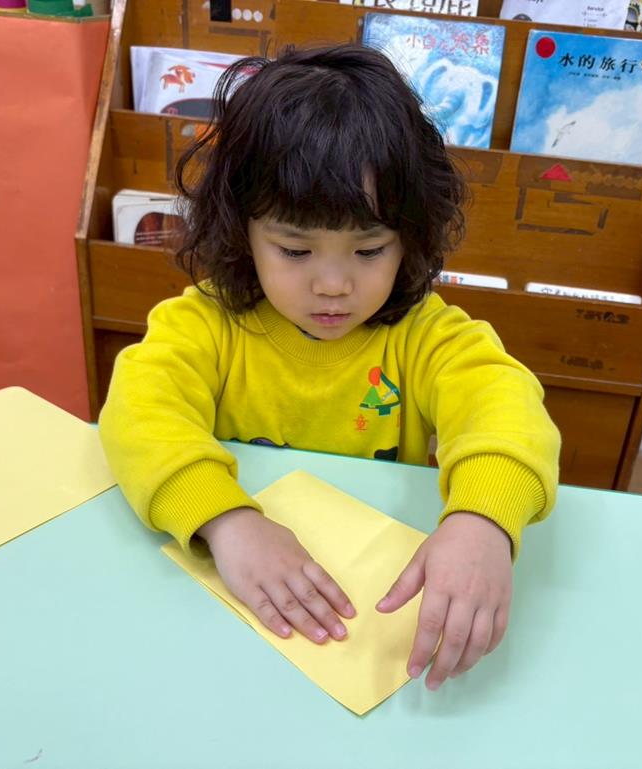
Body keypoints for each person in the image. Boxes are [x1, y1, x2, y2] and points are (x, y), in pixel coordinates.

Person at [98, 44, 560, 691]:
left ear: (410, 238)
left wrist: (482, 519)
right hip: (226, 628)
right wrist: (225, 520)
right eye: (295, 250)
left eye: (370, 250)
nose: (334, 285)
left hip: (369, 628)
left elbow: (503, 402)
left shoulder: (422, 334)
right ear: (241, 229)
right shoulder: (206, 324)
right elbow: (138, 412)